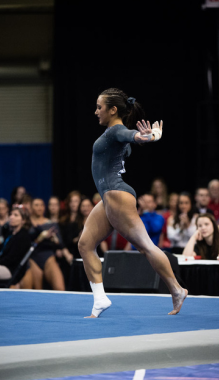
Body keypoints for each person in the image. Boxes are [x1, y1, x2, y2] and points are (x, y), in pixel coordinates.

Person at [78, 87, 187, 318]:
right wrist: (141, 140)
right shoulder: (115, 134)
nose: (96, 111)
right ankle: (100, 299)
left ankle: (177, 289)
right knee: (85, 244)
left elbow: (133, 136)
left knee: (146, 246)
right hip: (109, 197)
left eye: (100, 107)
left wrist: (151, 136)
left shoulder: (116, 130)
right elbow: (130, 143)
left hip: (116, 195)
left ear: (113, 109)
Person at [0, 205, 31, 287]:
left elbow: (12, 258)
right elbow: (0, 251)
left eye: (16, 215)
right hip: (0, 265)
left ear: (23, 220)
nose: (11, 217)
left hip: (10, 269)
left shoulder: (24, 236)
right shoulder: (10, 233)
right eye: (11, 214)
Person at [29, 198, 65, 291]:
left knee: (60, 288)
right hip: (32, 258)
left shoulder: (51, 223)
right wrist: (40, 238)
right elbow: (24, 244)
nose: (39, 208)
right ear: (31, 207)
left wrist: (54, 239)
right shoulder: (27, 223)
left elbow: (60, 244)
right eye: (36, 205)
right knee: (38, 291)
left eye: (42, 205)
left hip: (48, 256)